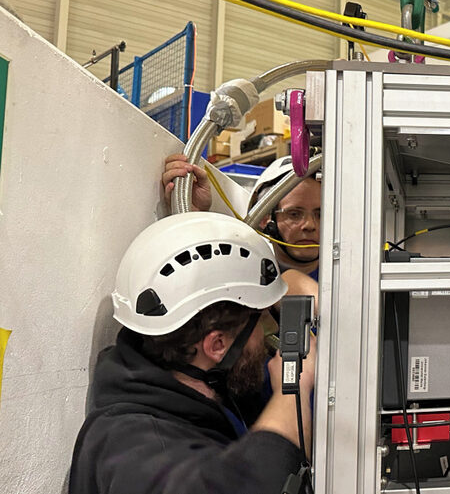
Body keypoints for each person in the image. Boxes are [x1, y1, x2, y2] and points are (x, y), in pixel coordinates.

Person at [69, 212, 315, 494]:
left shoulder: (198, 387)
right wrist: (293, 388)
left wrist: (290, 281)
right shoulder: (137, 451)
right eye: (259, 320)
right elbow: (245, 485)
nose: (267, 331)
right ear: (217, 345)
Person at [163, 154, 320, 289]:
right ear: (264, 217)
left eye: (320, 215)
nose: (310, 225)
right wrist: (194, 216)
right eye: (294, 214)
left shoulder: (336, 278)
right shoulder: (245, 275)